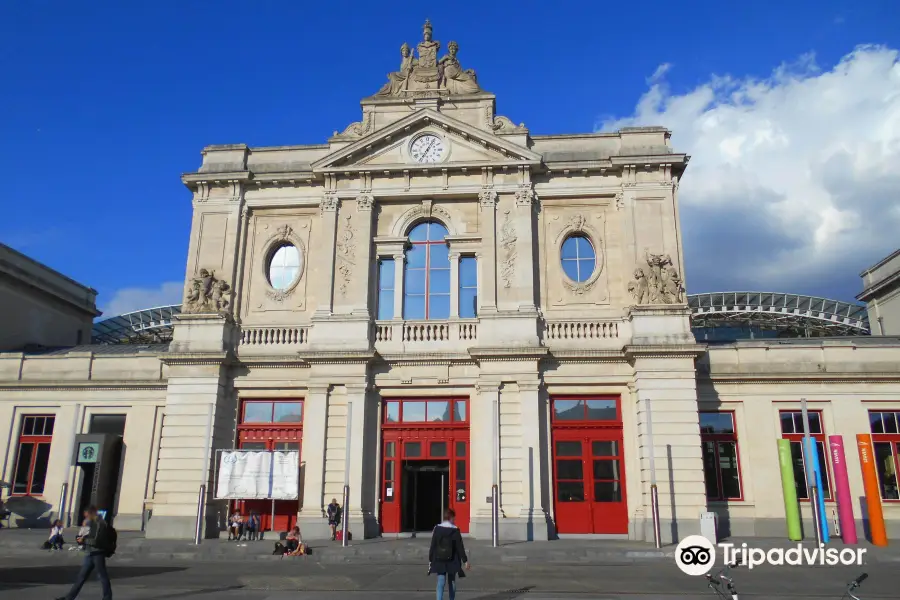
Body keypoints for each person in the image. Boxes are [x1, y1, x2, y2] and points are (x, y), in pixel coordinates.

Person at [55, 505, 113, 600]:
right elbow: (87, 536)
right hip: (90, 552)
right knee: (81, 577)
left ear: (91, 513)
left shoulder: (99, 523)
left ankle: (107, 597)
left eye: (86, 515)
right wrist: (82, 536)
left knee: (102, 576)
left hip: (97, 553)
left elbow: (96, 540)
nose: (85, 517)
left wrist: (84, 540)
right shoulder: (92, 523)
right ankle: (69, 597)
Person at [429, 509, 470, 600]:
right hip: (453, 559)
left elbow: (433, 545)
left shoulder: (437, 529)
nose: (454, 520)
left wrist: (431, 559)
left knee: (440, 581)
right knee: (452, 582)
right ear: (451, 517)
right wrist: (465, 560)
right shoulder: (455, 530)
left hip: (439, 558)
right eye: (454, 518)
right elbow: (460, 547)